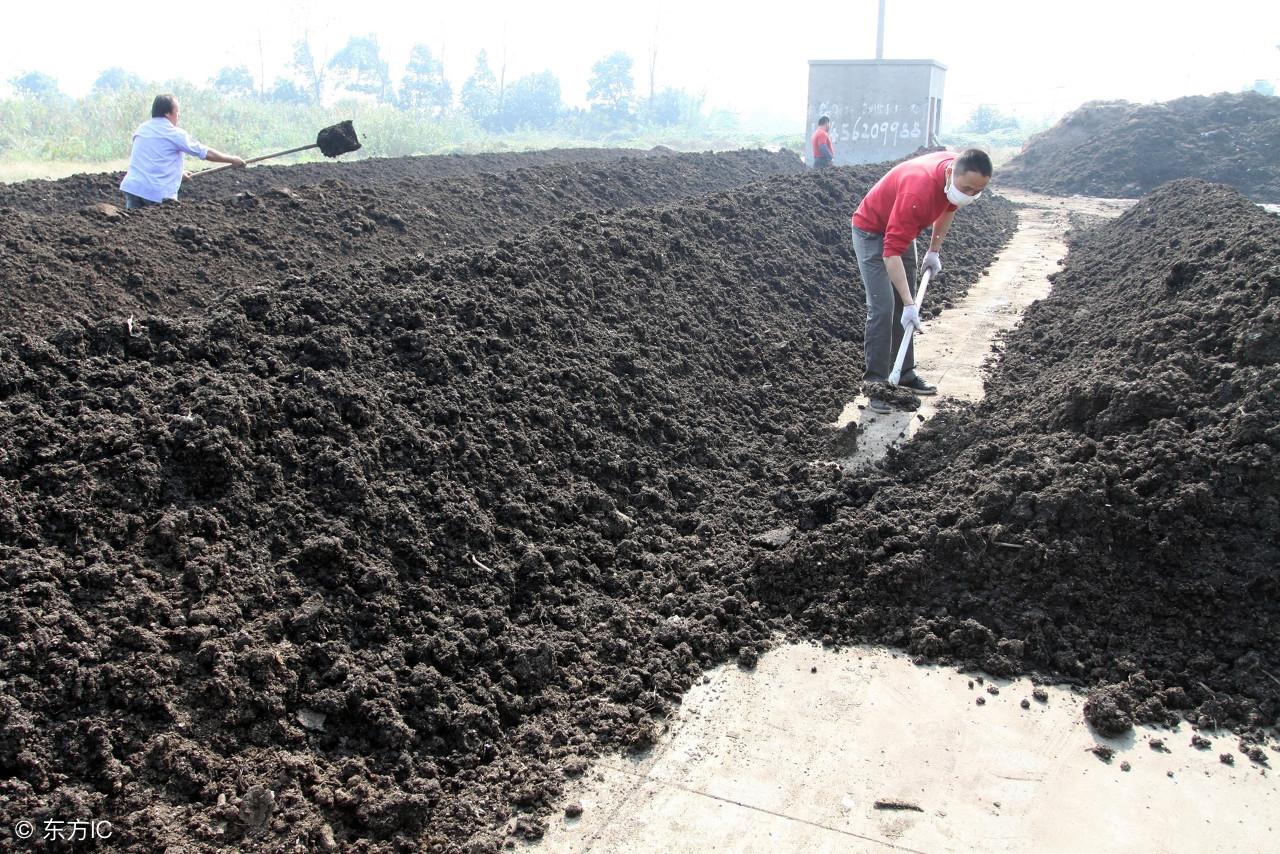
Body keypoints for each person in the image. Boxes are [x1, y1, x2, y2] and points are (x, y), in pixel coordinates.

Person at [850, 148, 993, 412]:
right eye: (967, 188)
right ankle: (876, 384)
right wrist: (908, 303)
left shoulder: (954, 178)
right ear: (950, 174)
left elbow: (950, 207)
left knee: (904, 305)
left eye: (976, 191)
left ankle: (904, 373)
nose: (970, 194)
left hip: (902, 229)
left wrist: (934, 250)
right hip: (872, 231)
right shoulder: (918, 193)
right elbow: (890, 252)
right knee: (884, 307)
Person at [119, 94, 245, 209]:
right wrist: (232, 159)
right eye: (177, 112)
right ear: (168, 113)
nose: (178, 115)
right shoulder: (174, 133)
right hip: (156, 193)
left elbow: (152, 158)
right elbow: (205, 153)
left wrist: (178, 173)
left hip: (133, 188)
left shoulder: (142, 129)